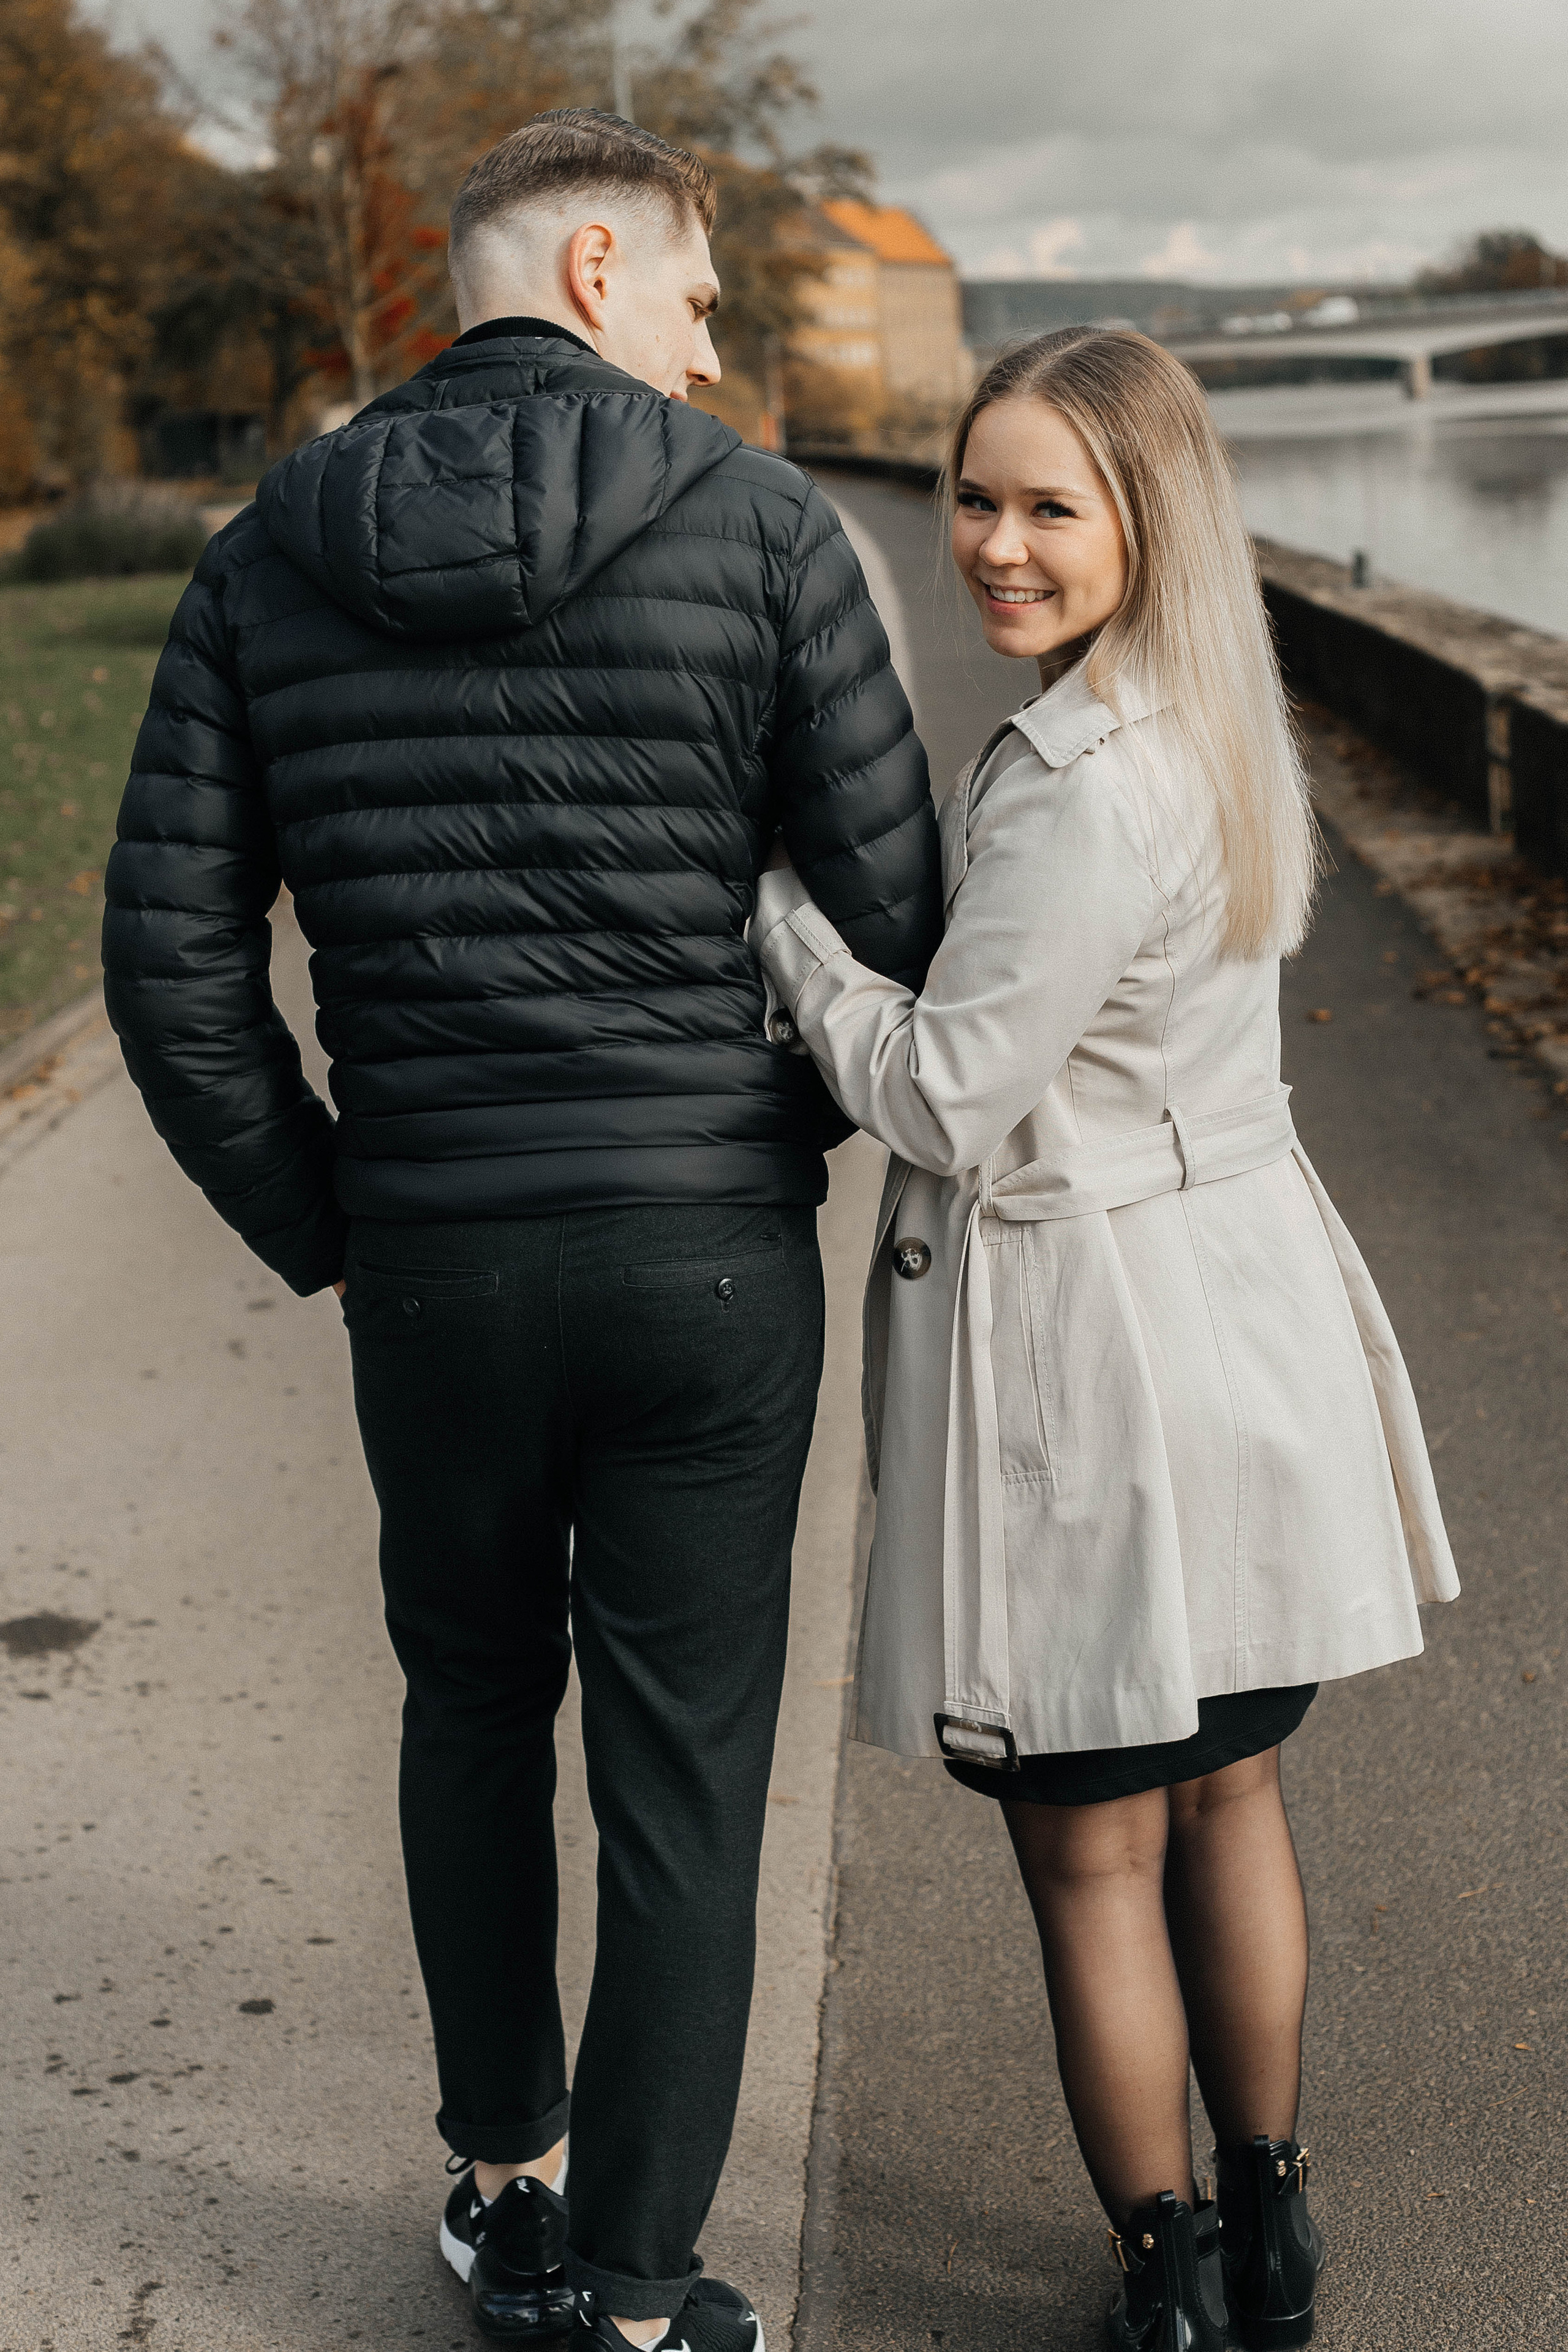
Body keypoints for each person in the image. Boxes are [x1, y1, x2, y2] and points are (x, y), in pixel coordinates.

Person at [102, 108, 941, 2352]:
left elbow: (169, 972)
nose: (713, 335)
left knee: (470, 1706)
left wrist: (341, 1211)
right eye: (693, 295)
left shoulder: (262, 554)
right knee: (685, 1763)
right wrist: (764, 1119)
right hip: (703, 1264)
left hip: (441, 1261)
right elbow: (901, 920)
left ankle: (507, 2186)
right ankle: (648, 2296)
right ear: (589, 267)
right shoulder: (765, 529)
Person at [752, 328, 1459, 2352]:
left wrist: (788, 924)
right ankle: (1275, 2224)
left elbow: (946, 1097)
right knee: (1233, 1797)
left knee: (1096, 1861)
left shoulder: (1074, 783)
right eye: (975, 495)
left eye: (1049, 505)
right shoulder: (1214, 717)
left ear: (1147, 517)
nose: (992, 542)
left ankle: (1164, 2280)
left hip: (1097, 1355)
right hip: (1240, 1318)